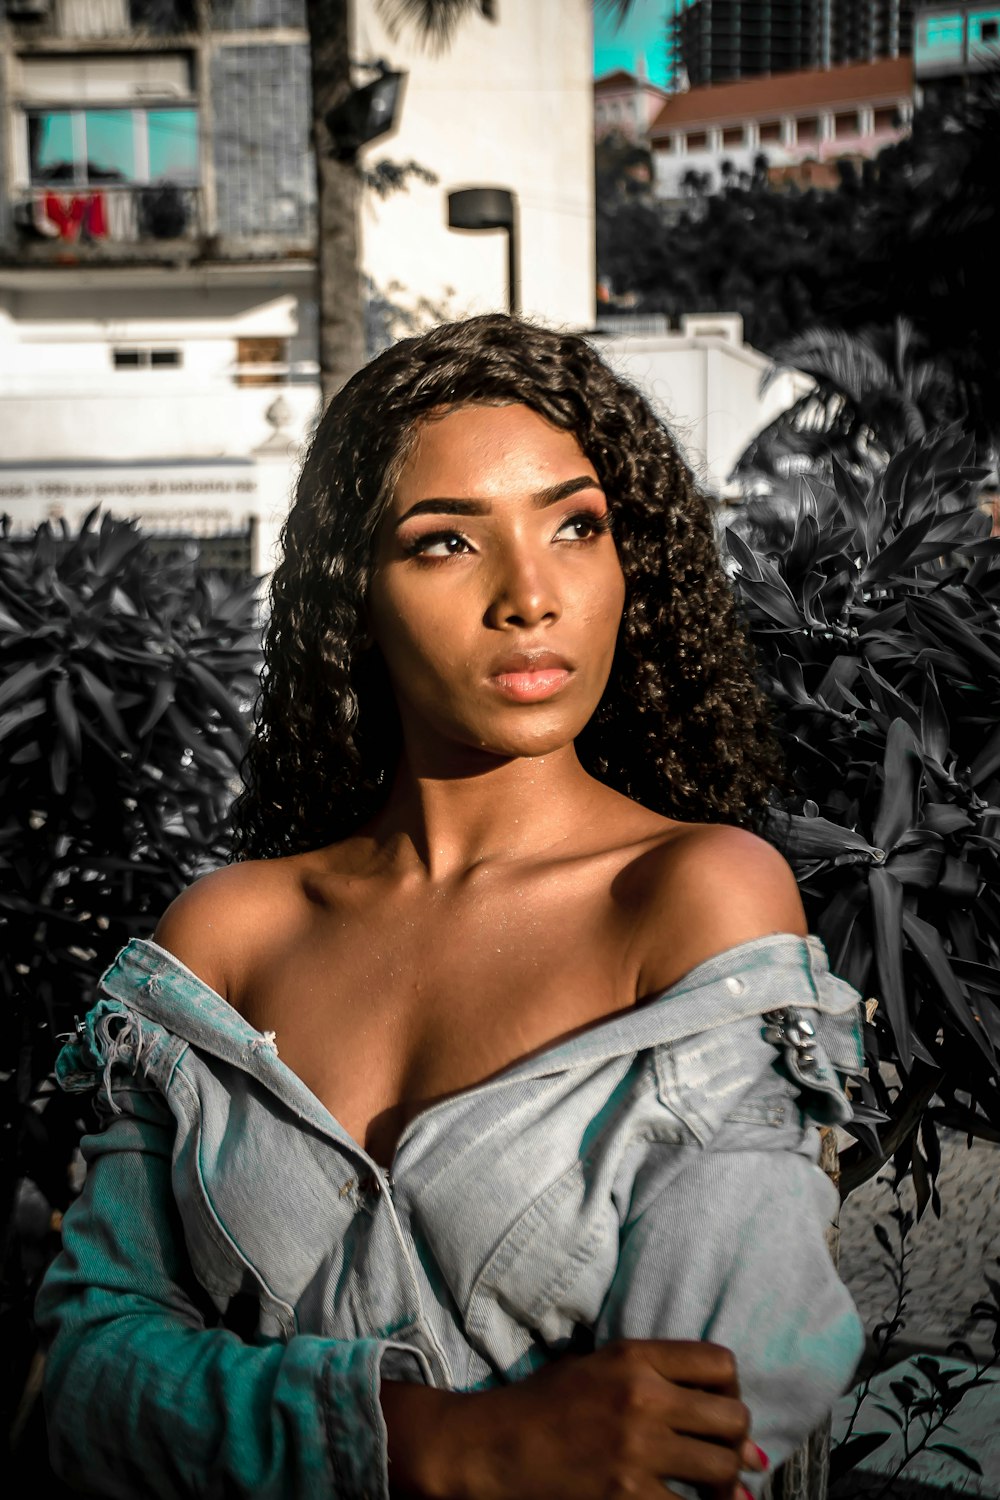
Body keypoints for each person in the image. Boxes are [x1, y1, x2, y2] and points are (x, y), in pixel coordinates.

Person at [36, 315, 864, 1500]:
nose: (531, 596)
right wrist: (438, 1444)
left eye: (577, 525)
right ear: (350, 594)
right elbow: (80, 1379)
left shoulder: (692, 900)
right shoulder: (224, 937)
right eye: (444, 544)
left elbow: (710, 1429)